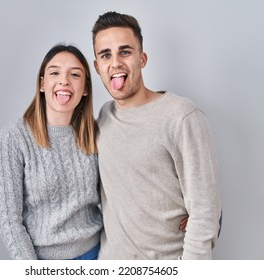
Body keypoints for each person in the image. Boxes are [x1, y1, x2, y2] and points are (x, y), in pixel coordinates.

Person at [92, 11, 222, 259]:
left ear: (142, 59)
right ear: (98, 67)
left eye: (125, 52)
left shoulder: (182, 116)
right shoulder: (104, 117)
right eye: (106, 55)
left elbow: (206, 212)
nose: (115, 62)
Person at [0, 44, 103, 260]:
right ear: (43, 84)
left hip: (96, 254)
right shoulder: (14, 137)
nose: (64, 80)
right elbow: (9, 221)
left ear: (85, 88)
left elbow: (124, 191)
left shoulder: (95, 133)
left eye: (75, 74)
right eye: (55, 73)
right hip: (42, 260)